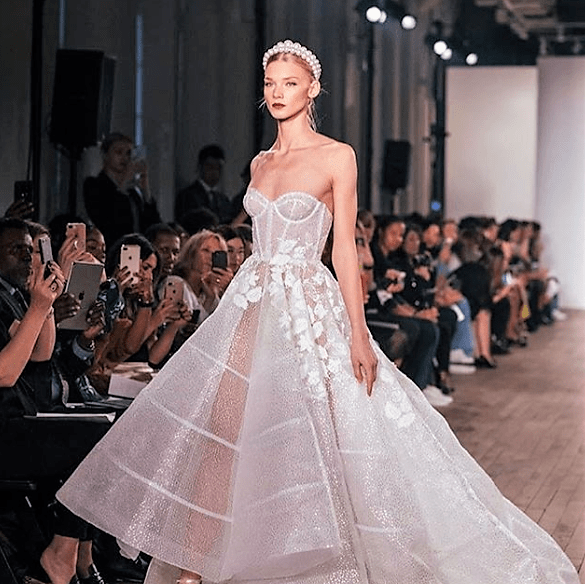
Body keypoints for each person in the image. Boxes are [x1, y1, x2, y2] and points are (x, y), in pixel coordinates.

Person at [57, 40, 578, 584]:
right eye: (270, 84)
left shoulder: (337, 156)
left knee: (324, 436)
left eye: (290, 83)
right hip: (251, 303)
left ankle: (325, 562)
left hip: (307, 307)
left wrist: (358, 333)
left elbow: (344, 249)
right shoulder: (260, 163)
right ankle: (194, 568)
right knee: (222, 430)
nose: (278, 93)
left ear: (313, 90)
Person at [83, 132, 161, 247]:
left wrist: (146, 191)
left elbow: (153, 226)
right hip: (111, 248)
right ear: (105, 154)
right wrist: (124, 183)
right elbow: (107, 220)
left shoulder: (133, 193)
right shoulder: (94, 185)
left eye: (128, 153)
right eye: (119, 152)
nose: (124, 158)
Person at [174, 144, 233, 225]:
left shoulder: (223, 199)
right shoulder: (187, 196)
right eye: (210, 167)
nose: (214, 172)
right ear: (200, 167)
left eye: (218, 167)